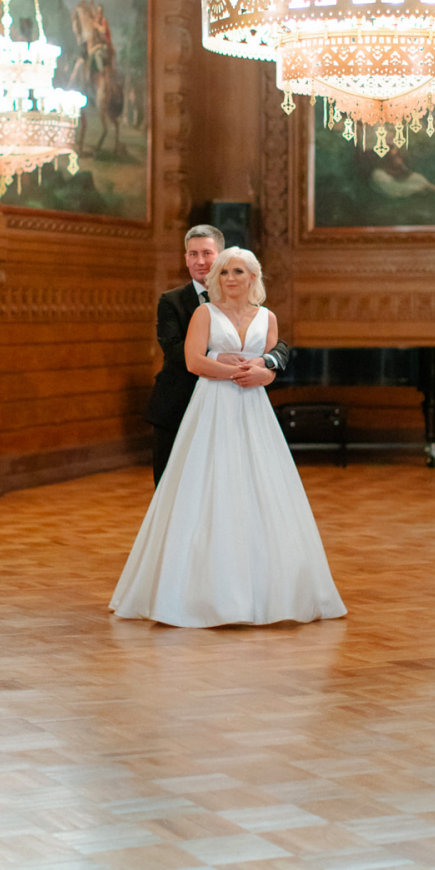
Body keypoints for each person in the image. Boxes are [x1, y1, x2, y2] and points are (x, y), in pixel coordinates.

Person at [112, 247, 346, 627]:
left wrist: (263, 375)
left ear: (253, 278)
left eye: (238, 271)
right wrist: (233, 374)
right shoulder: (205, 313)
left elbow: (271, 362)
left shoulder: (267, 317)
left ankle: (271, 591)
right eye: (224, 272)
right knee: (206, 486)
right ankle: (196, 592)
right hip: (213, 405)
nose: (231, 278)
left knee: (261, 487)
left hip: (253, 408)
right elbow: (193, 361)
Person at [144, 225, 288, 486]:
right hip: (179, 403)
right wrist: (217, 357)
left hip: (239, 406)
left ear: (221, 254)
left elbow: (277, 346)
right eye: (192, 254)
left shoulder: (255, 306)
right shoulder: (172, 301)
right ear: (185, 258)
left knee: (235, 482)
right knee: (172, 486)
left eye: (207, 253)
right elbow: (173, 347)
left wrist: (266, 366)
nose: (200, 261)